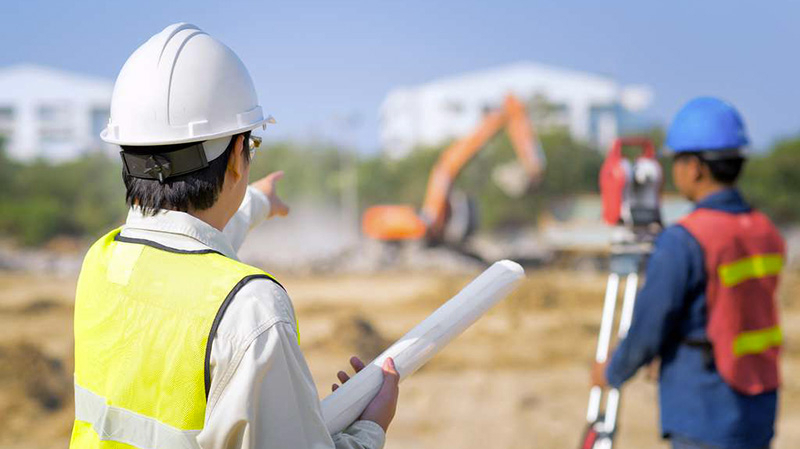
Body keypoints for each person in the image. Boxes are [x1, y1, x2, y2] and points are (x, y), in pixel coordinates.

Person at [69, 23, 399, 449]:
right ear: (238, 157)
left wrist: (257, 203)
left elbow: (187, 243)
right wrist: (369, 429)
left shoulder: (102, 262)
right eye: (252, 144)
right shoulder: (252, 311)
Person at [591, 97, 785, 449]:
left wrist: (613, 372)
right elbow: (724, 308)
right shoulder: (764, 229)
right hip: (759, 401)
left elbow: (649, 327)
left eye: (677, 161)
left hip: (705, 409)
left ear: (694, 167)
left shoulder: (685, 241)